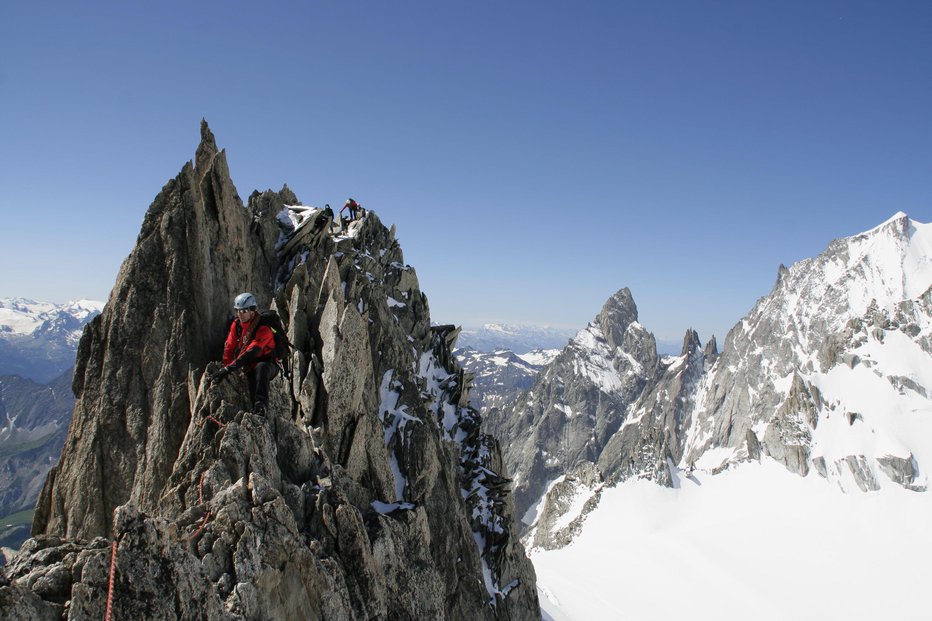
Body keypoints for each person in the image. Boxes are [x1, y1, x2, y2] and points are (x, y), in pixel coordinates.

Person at [208, 292, 278, 415]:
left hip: (268, 364)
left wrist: (229, 368)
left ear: (252, 311)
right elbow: (229, 346)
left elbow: (251, 352)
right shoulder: (237, 325)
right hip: (249, 366)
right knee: (251, 382)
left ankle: (261, 405)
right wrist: (225, 366)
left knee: (261, 369)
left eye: (243, 311)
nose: (240, 314)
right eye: (237, 310)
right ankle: (255, 412)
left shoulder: (264, 328)